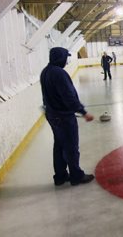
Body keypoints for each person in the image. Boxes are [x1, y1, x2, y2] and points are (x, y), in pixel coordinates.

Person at [40, 47, 95, 186]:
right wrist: (83, 112)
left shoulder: (45, 71)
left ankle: (60, 176)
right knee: (71, 147)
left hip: (52, 115)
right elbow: (69, 96)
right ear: (60, 58)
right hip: (63, 117)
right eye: (66, 58)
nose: (66, 61)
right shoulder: (59, 73)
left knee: (59, 146)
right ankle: (76, 175)